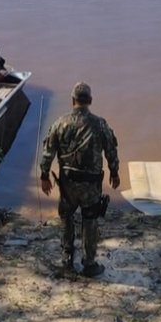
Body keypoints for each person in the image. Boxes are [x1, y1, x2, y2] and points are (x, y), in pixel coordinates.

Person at [39, 82, 120, 277]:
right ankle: (89, 264)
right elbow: (111, 150)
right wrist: (114, 173)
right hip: (91, 185)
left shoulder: (60, 123)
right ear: (90, 101)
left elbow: (48, 153)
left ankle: (67, 260)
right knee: (90, 220)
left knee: (67, 218)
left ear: (73, 100)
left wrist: (44, 176)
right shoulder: (100, 124)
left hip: (68, 184)